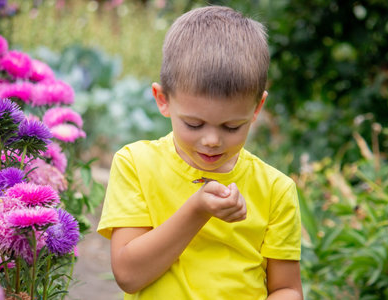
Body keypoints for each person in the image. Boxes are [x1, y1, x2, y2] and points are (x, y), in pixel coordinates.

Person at [97, 5, 302, 300]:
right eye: (194, 124)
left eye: (232, 127)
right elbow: (128, 275)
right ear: (162, 99)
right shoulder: (136, 165)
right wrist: (197, 210)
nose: (211, 141)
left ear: (257, 108)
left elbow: (287, 289)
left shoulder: (276, 190)